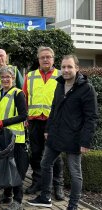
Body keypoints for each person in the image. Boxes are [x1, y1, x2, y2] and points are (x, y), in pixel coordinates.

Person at [28, 55, 98, 210]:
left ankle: (72, 206)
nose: (66, 70)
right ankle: (45, 197)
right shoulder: (59, 85)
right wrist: (48, 129)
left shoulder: (87, 88)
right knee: (45, 163)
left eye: (69, 67)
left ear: (77, 68)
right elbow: (54, 109)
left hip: (74, 138)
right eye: (64, 67)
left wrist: (85, 141)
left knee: (75, 173)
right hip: (56, 135)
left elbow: (91, 117)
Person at [22, 46, 64, 199]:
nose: (45, 59)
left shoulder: (61, 75)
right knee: (36, 154)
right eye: (42, 57)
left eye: (48, 57)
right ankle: (37, 182)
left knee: (55, 156)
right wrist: (25, 117)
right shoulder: (30, 75)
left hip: (54, 123)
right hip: (34, 122)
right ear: (38, 59)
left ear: (53, 59)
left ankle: (57, 186)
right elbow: (24, 98)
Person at [0, 66, 28, 210]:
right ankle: (7, 194)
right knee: (5, 168)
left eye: (8, 77)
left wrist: (3, 123)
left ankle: (17, 200)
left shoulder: (18, 93)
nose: (5, 79)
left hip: (14, 139)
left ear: (13, 79)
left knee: (16, 169)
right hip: (0, 138)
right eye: (2, 77)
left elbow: (24, 115)